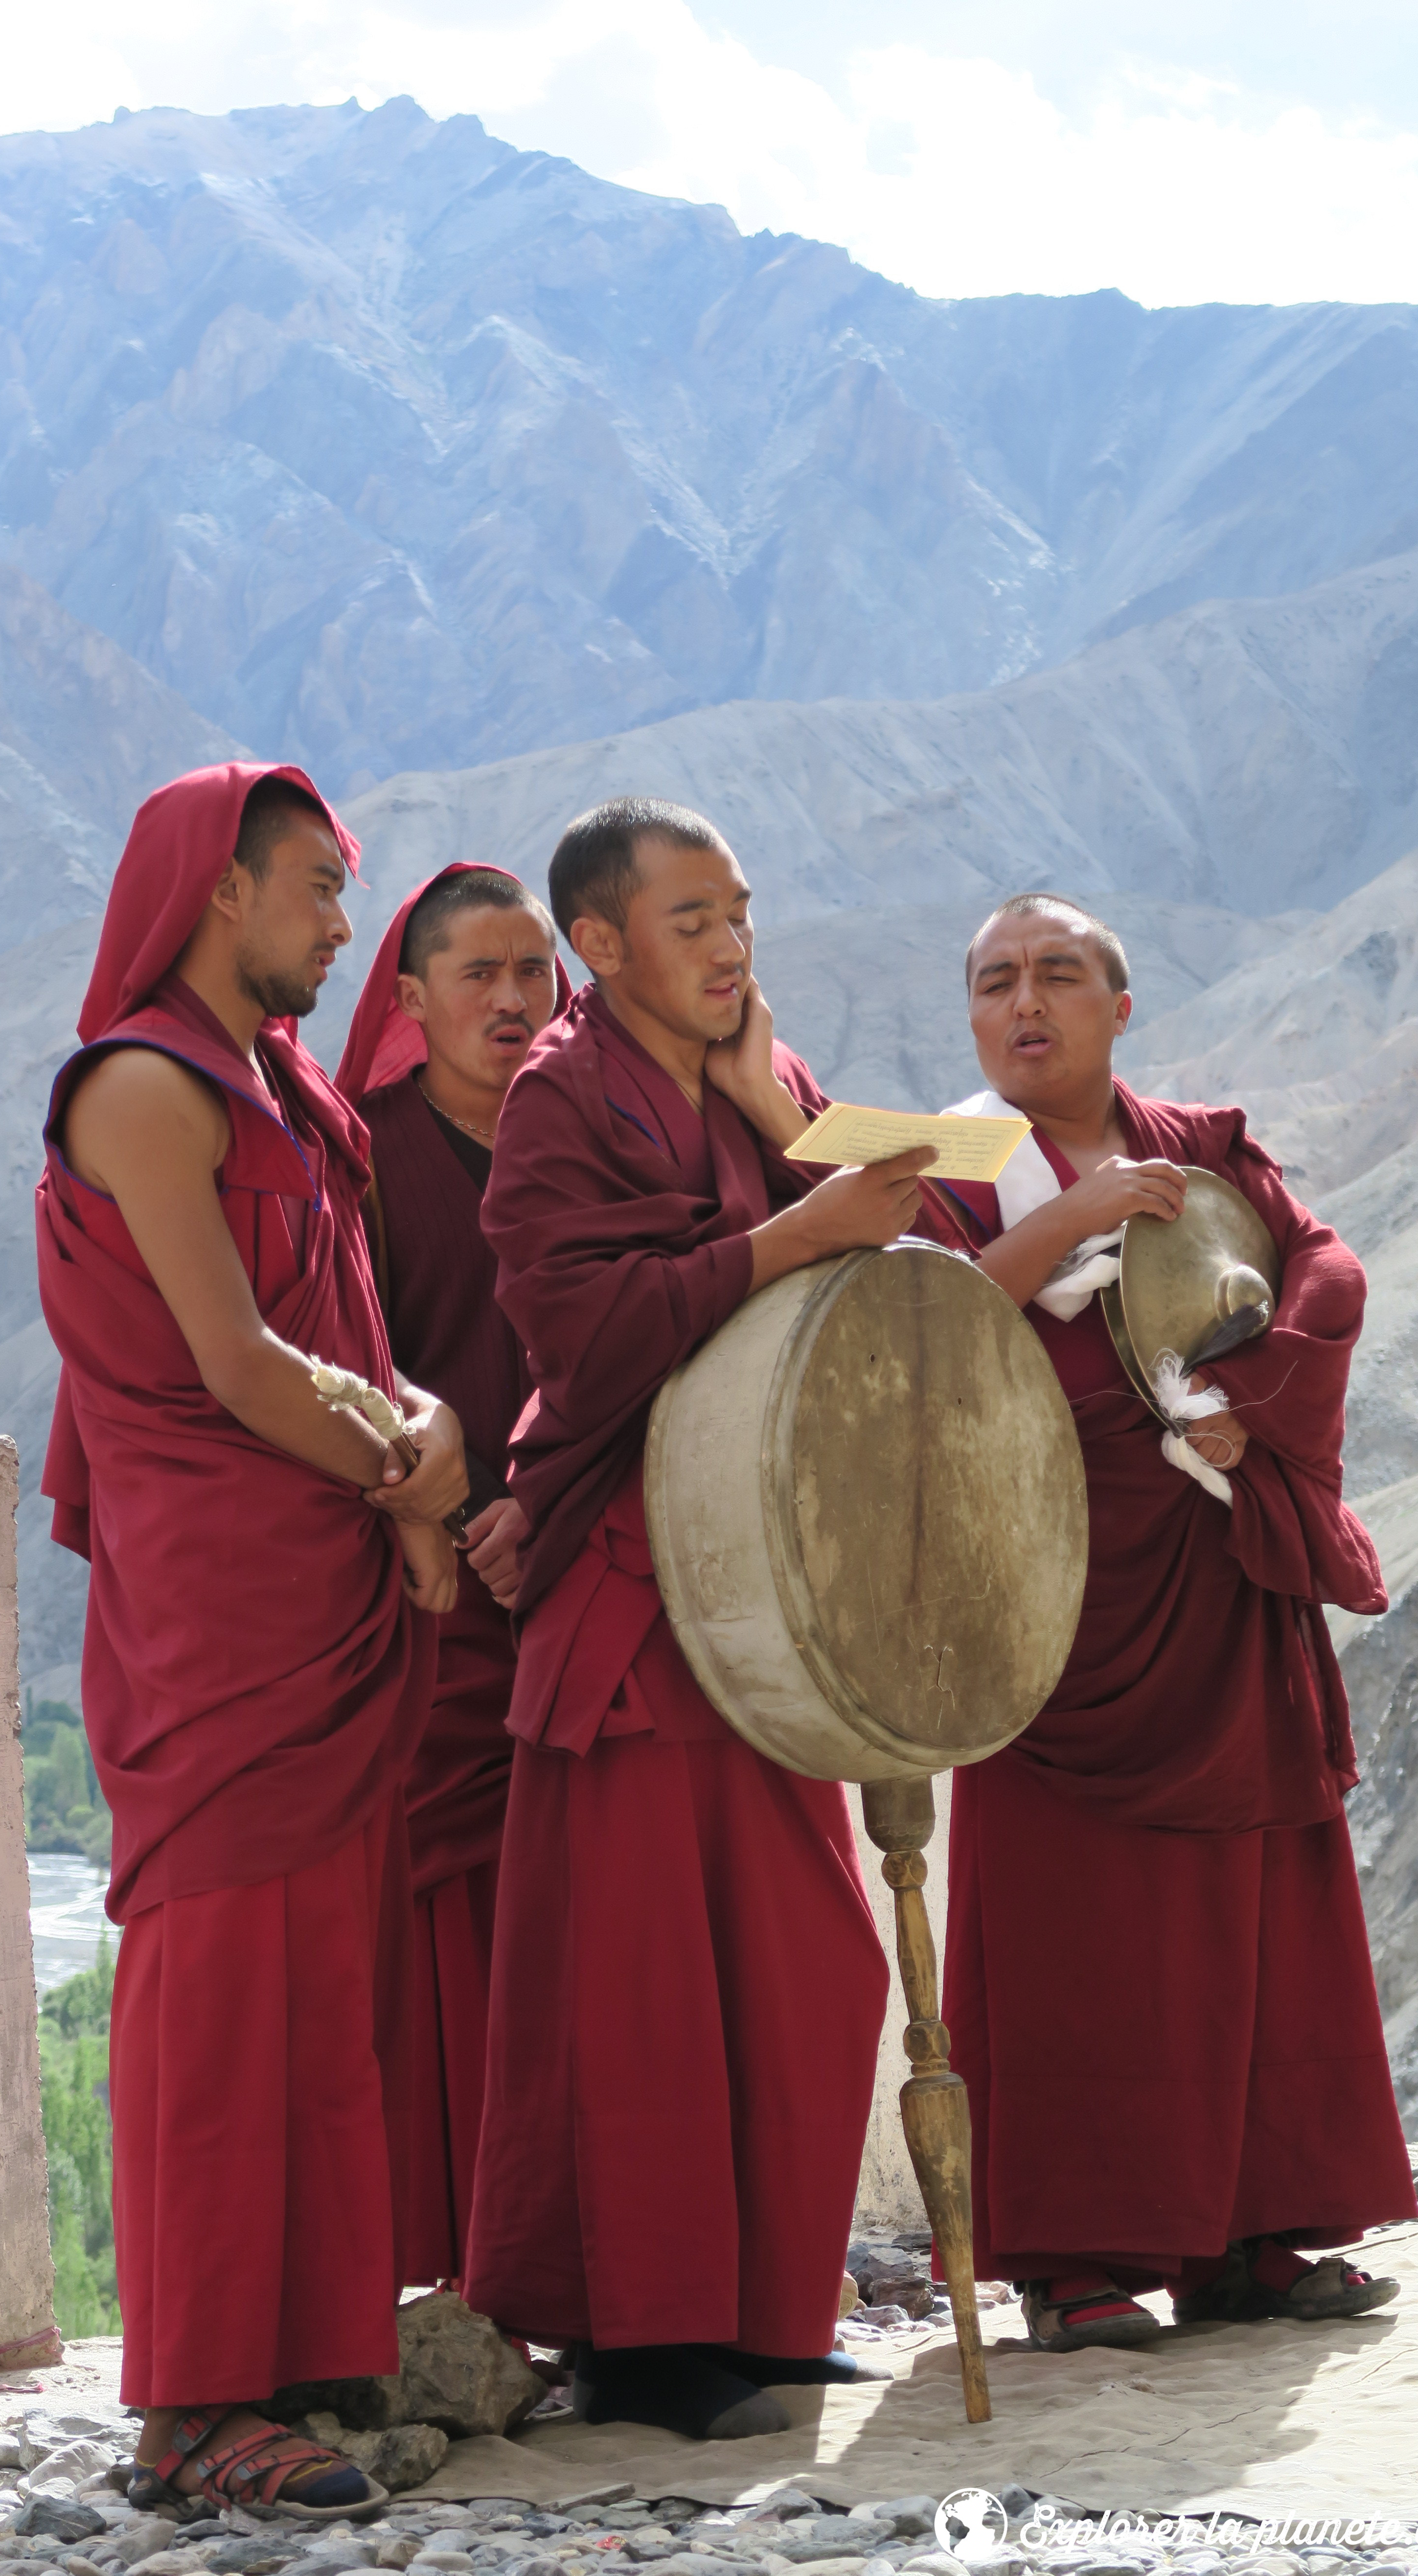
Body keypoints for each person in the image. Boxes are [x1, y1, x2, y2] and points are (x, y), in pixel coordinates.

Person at [461, 796, 935, 2440]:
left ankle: (770, 2311)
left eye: (741, 910)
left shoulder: (764, 1080)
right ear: (599, 945)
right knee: (650, 1974)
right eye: (691, 921)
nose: (732, 944)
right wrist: (793, 1229)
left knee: (801, 1954)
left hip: (767, 1582)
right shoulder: (557, 1105)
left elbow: (918, 1229)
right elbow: (583, 1344)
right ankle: (649, 2346)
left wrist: (775, 1111)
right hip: (631, 1580)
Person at [36, 764, 469, 2514]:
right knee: (223, 1992)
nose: (342, 926)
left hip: (325, 1585)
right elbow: (231, 1363)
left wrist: (422, 1428)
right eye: (314, 887)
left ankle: (304, 2352)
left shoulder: (288, 1096)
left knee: (321, 1984)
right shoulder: (145, 1088)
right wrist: (418, 1478)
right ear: (219, 891)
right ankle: (196, 2407)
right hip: (226, 1616)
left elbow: (346, 1344)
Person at [922, 890, 1417, 2354]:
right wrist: (1068, 1222)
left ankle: (1254, 2242)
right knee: (1074, 1929)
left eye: (1059, 976)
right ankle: (1078, 2259)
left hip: (1212, 1574)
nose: (1027, 1004)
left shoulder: (1200, 1145)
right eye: (997, 982)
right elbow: (917, 1332)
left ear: (1119, 1005)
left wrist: (1235, 1411)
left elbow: (1325, 1268)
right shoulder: (950, 1165)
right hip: (1049, 1587)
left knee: (1254, 1911)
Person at [334, 863, 568, 2284]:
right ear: (410, 999)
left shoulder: (600, 1145)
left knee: (598, 1930)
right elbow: (340, 1356)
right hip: (435, 1596)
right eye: (476, 974)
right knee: (454, 1941)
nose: (510, 999)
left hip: (595, 1570)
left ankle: (582, 2257)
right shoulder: (359, 1154)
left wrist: (554, 1490)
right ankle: (459, 2263)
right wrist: (444, 1501)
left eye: (532, 971)